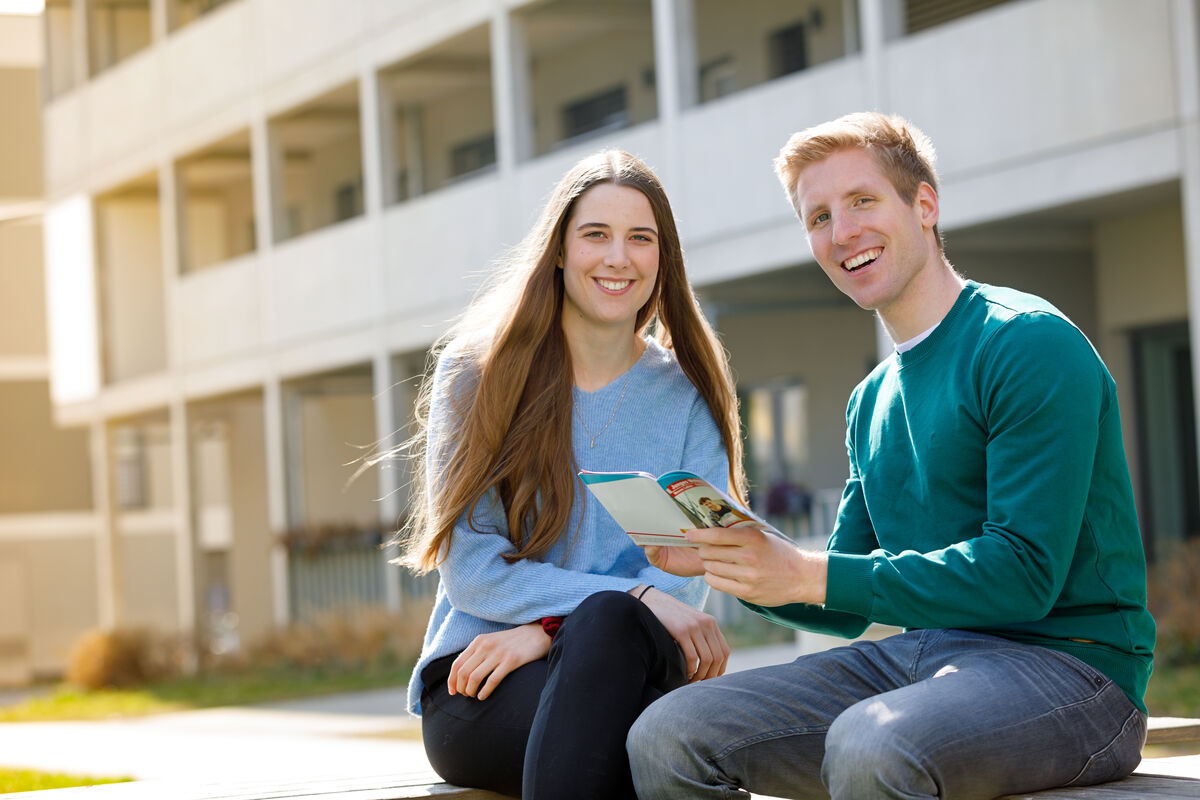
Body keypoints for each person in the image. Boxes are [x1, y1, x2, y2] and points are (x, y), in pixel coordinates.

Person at [628, 112, 1156, 800]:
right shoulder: (869, 401)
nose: (841, 231)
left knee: (873, 742)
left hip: (1075, 673)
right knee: (666, 734)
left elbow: (1024, 574)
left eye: (862, 201)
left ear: (926, 205)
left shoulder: (1025, 343)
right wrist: (735, 563)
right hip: (929, 659)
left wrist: (806, 573)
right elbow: (841, 601)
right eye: (818, 216)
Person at [398, 149, 746, 800]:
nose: (618, 258)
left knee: (619, 643)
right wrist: (620, 605)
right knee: (668, 730)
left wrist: (552, 629)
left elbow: (691, 566)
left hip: (630, 669)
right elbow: (473, 571)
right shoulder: (477, 377)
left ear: (661, 259)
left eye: (640, 239)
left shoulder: (690, 395)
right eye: (596, 235)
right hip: (486, 683)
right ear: (558, 250)